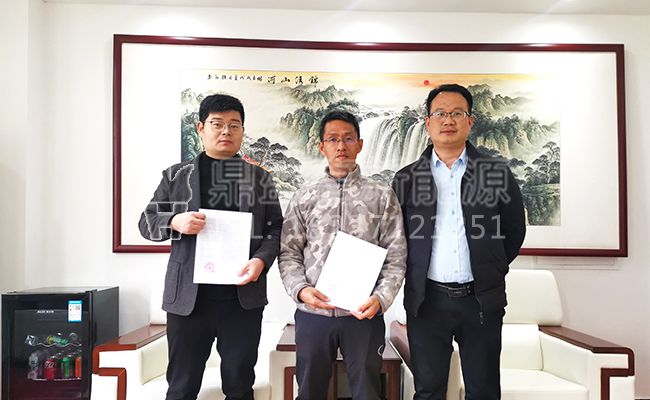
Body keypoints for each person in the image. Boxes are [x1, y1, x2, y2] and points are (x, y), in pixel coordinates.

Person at [138, 94, 283, 400]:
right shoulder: (176, 175)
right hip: (189, 301)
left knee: (239, 387)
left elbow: (275, 228)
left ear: (242, 131)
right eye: (217, 124)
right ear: (201, 128)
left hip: (242, 301)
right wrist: (175, 221)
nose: (226, 131)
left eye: (234, 125)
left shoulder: (260, 179)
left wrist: (260, 261)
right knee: (181, 387)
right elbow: (146, 222)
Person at [391, 84, 526, 400]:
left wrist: (490, 265)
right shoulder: (407, 178)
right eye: (440, 113)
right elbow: (395, 237)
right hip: (426, 302)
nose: (448, 120)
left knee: (483, 391)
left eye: (457, 113)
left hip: (480, 300)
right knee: (428, 391)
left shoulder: (495, 174)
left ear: (470, 121)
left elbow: (514, 230)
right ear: (428, 122)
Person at [279, 110, 407, 400]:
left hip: (363, 314)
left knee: (367, 391)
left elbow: (396, 255)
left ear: (360, 144)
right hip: (314, 313)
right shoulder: (305, 195)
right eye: (333, 139)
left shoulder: (381, 195)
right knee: (309, 391)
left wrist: (381, 299)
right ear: (321, 146)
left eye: (348, 139)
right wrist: (301, 290)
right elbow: (288, 253)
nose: (341, 146)